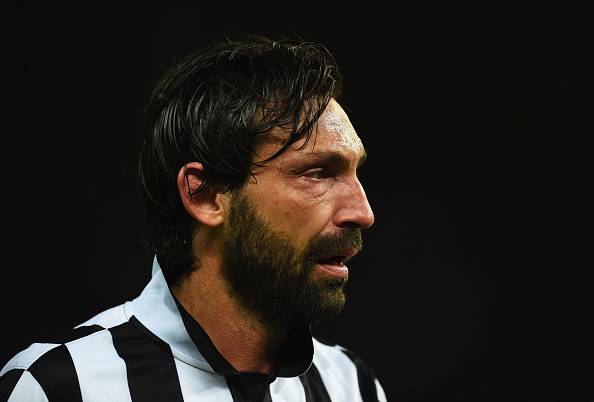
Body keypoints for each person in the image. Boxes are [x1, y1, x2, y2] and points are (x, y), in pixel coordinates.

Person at [0, 36, 387, 402]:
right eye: (318, 173)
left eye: (356, 173)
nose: (363, 212)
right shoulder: (58, 387)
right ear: (204, 195)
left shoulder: (352, 386)